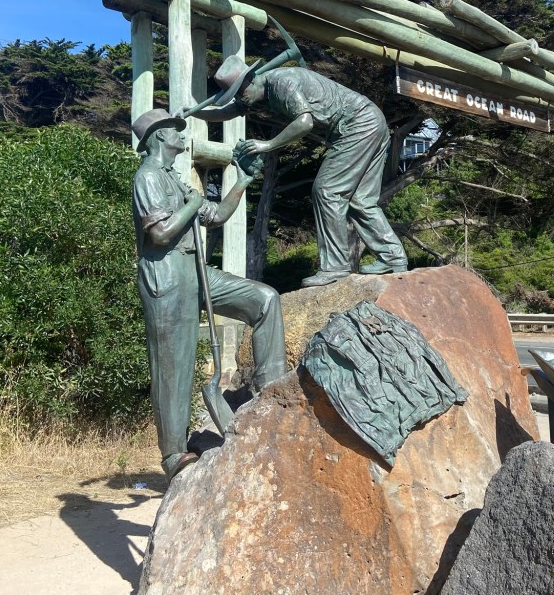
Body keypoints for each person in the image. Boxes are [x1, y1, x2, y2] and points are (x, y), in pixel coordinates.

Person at [131, 108, 287, 482]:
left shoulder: (173, 178)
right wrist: (191, 203)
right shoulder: (147, 177)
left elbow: (215, 215)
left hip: (196, 271)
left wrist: (242, 180)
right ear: (159, 137)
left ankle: (271, 392)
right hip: (167, 275)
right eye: (175, 131)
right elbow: (160, 234)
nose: (182, 137)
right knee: (173, 365)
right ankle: (173, 453)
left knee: (264, 299)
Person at [189, 56, 408, 288]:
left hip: (359, 125)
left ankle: (336, 266)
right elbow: (232, 111)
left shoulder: (282, 83)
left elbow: (304, 122)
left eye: (240, 94)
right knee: (361, 200)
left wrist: (268, 144)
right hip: (371, 121)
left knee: (327, 191)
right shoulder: (258, 91)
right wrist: (195, 113)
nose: (241, 100)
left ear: (251, 80)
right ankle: (392, 257)